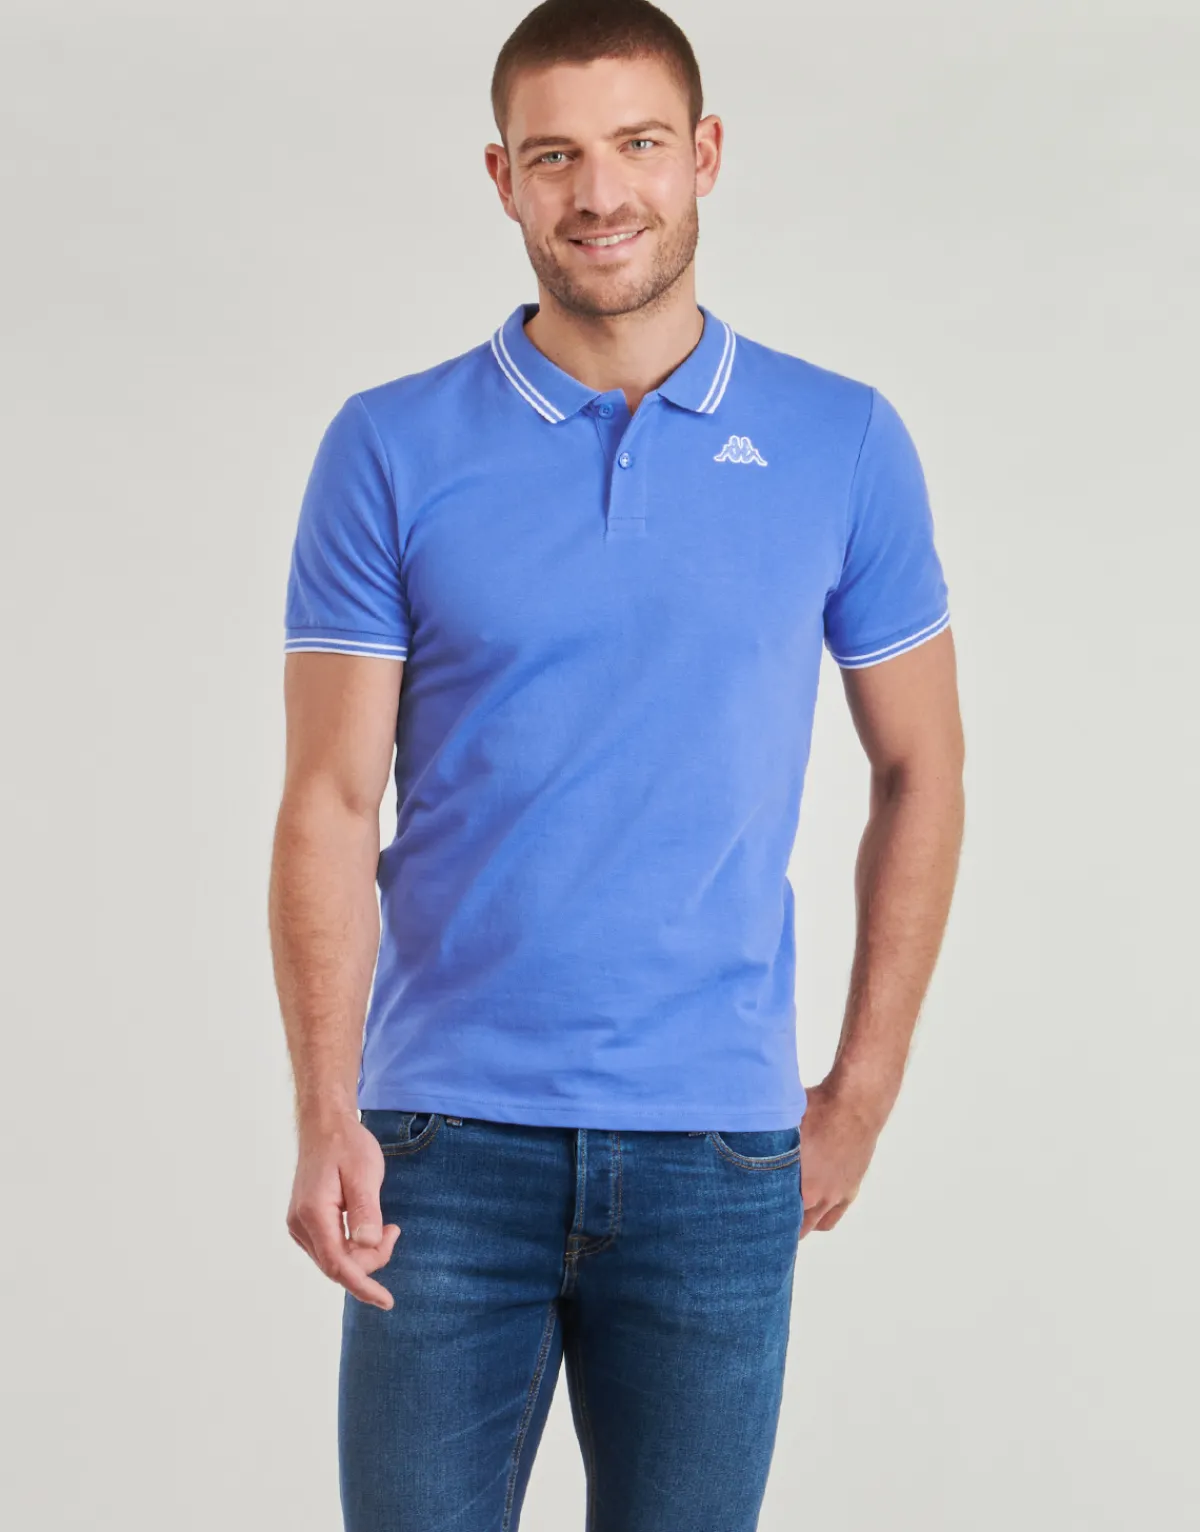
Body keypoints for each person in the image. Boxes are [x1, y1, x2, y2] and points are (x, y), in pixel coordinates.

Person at [267, 1, 965, 1527]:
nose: (601, 193)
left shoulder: (843, 442)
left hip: (719, 1156)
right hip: (441, 1154)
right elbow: (328, 800)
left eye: (639, 144)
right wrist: (326, 1110)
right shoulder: (387, 447)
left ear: (704, 154)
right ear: (502, 178)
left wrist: (860, 1095)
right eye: (556, 156)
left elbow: (922, 769)